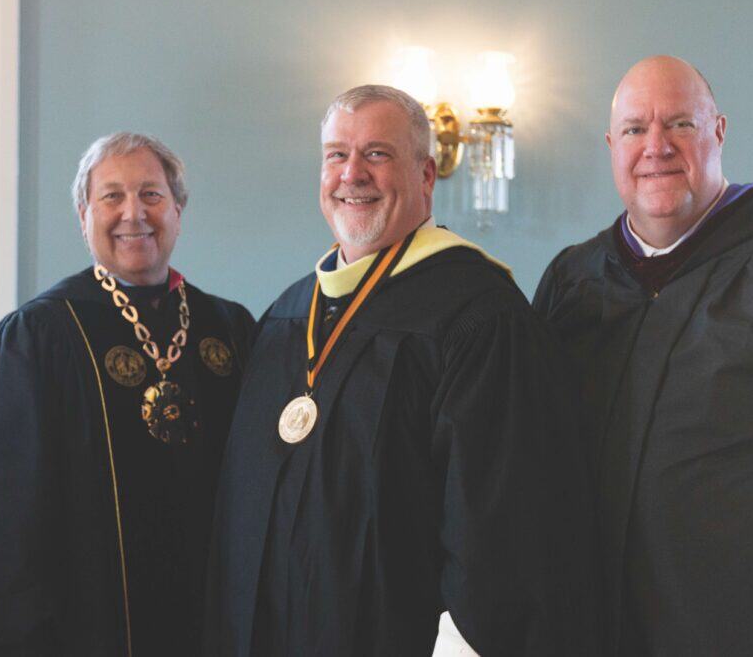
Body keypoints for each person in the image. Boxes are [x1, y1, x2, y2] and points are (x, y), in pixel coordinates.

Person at [205, 85, 599, 656]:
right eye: (336, 155)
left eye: (377, 154)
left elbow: (501, 529)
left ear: (426, 175)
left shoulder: (479, 315)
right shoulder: (287, 315)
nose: (352, 174)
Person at [534, 55, 753, 655]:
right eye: (636, 129)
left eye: (680, 125)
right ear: (612, 145)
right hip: (598, 622)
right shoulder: (573, 280)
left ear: (718, 132)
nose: (655, 146)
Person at [0, 132, 255, 656]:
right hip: (84, 630)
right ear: (83, 216)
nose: (133, 213)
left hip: (214, 622)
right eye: (112, 196)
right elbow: (3, 521)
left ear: (178, 211)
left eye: (152, 195)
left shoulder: (228, 329)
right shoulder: (38, 336)